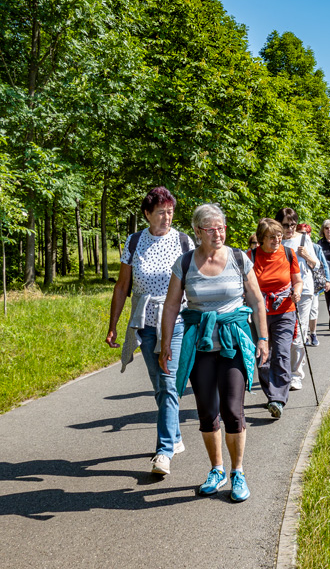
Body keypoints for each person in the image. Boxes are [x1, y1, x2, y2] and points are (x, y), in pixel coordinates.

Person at [160, 204, 269, 502]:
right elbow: (172, 305)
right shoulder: (184, 263)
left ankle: (238, 472)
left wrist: (263, 339)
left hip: (233, 341)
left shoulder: (238, 258)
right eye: (211, 229)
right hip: (201, 345)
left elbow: (257, 300)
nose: (218, 233)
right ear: (197, 232)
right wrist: (166, 342)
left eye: (221, 227)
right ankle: (216, 469)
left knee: (233, 412)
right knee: (207, 413)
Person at [106, 186, 194, 477]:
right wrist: (113, 325)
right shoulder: (133, 242)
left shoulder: (183, 242)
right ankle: (176, 437)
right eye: (160, 212)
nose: (167, 217)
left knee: (168, 383)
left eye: (170, 212)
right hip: (143, 321)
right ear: (146, 214)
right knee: (160, 385)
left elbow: (195, 282)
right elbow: (122, 287)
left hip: (176, 321)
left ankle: (164, 451)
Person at [250, 218, 303, 417]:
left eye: (279, 235)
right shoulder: (251, 256)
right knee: (263, 358)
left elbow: (297, 280)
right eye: (272, 237)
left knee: (281, 354)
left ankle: (278, 399)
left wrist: (297, 291)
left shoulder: (288, 254)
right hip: (258, 313)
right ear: (261, 238)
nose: (277, 239)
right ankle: (271, 394)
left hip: (285, 310)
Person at [276, 208, 325, 390]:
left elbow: (317, 264)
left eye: (292, 224)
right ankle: (284, 371)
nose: (289, 228)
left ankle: (296, 375)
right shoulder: (276, 240)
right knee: (284, 335)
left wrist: (306, 255)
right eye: (286, 225)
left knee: (299, 334)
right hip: (282, 292)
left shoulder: (304, 239)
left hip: (304, 291)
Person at [299, 223, 329, 347]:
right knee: (302, 314)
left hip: (314, 284)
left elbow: (323, 264)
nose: (303, 236)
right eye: (300, 233)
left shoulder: (316, 248)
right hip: (299, 286)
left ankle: (313, 333)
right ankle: (304, 335)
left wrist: (328, 280)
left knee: (313, 311)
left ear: (310, 234)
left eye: (305, 233)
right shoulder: (293, 247)